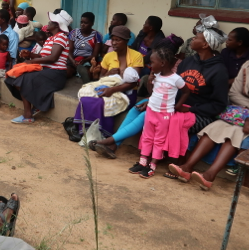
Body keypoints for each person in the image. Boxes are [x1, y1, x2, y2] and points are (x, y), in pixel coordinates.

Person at [168, 36, 249, 189]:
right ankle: (186, 168)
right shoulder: (247, 65)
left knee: (236, 132)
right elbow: (233, 93)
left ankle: (209, 175)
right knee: (214, 129)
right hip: (236, 114)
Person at [91, 19, 228, 159]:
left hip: (199, 113)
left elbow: (218, 105)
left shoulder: (218, 71)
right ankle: (114, 146)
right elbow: (171, 87)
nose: (192, 38)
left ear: (205, 44)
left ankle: (111, 141)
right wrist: (152, 99)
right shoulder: (189, 61)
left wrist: (190, 109)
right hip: (174, 104)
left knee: (148, 114)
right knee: (138, 107)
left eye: (197, 37)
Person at [129, 46, 191, 178]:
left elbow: (186, 91)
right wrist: (150, 81)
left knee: (159, 140)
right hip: (151, 110)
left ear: (162, 63)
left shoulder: (176, 79)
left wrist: (178, 106)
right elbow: (151, 93)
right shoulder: (156, 76)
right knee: (147, 137)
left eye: (152, 62)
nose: (150, 65)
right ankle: (142, 162)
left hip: (164, 115)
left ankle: (152, 165)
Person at [6, 10, 72, 123]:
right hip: (46, 70)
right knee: (17, 76)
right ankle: (34, 105)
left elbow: (53, 58)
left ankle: (28, 115)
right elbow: (42, 55)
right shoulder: (51, 38)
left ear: (57, 24)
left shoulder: (61, 37)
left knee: (24, 79)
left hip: (55, 73)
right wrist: (30, 54)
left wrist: (32, 61)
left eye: (51, 21)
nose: (48, 22)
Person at [68, 12, 102, 82]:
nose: (82, 25)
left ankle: (83, 72)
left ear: (92, 24)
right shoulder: (74, 33)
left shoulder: (97, 35)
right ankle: (75, 70)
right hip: (74, 59)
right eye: (81, 22)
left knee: (87, 71)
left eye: (85, 23)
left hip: (88, 59)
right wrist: (73, 61)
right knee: (67, 71)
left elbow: (95, 55)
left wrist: (84, 60)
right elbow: (69, 50)